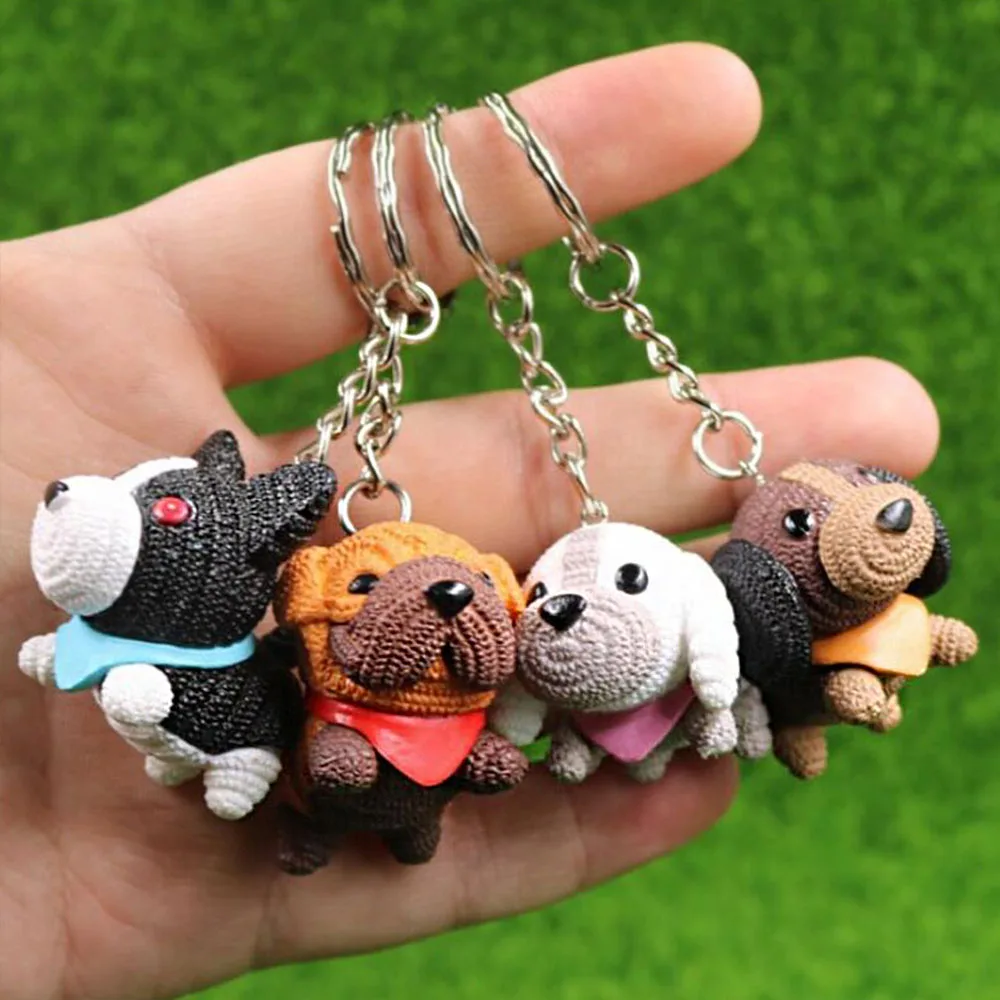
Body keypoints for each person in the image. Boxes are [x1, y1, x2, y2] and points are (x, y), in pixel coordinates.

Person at [0, 42, 938, 1000]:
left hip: (541, 719)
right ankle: (317, 815)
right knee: (314, 774)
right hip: (298, 744)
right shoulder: (290, 629)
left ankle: (399, 817)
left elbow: (507, 712)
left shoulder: (595, 624)